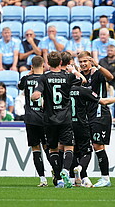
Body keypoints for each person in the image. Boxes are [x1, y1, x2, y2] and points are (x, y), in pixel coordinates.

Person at [31, 51, 84, 188]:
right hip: (65, 118)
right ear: (61, 63)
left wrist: (35, 95)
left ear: (48, 63)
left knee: (53, 149)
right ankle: (66, 170)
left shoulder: (43, 78)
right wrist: (74, 71)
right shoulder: (67, 76)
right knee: (68, 147)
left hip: (49, 119)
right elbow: (83, 80)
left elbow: (36, 95)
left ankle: (60, 178)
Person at [78, 51, 115, 187]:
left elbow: (110, 77)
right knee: (86, 146)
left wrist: (98, 65)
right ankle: (82, 178)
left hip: (100, 113)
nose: (83, 64)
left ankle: (105, 178)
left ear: (90, 61)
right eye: (81, 62)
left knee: (98, 145)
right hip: (86, 114)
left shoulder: (97, 73)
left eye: (85, 61)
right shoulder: (80, 76)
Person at [18, 55, 50, 187]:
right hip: (45, 118)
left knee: (36, 149)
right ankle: (58, 175)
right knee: (49, 148)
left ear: (31, 66)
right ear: (43, 65)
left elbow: (20, 86)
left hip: (31, 118)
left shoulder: (26, 79)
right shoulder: (47, 79)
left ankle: (42, 179)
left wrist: (28, 74)